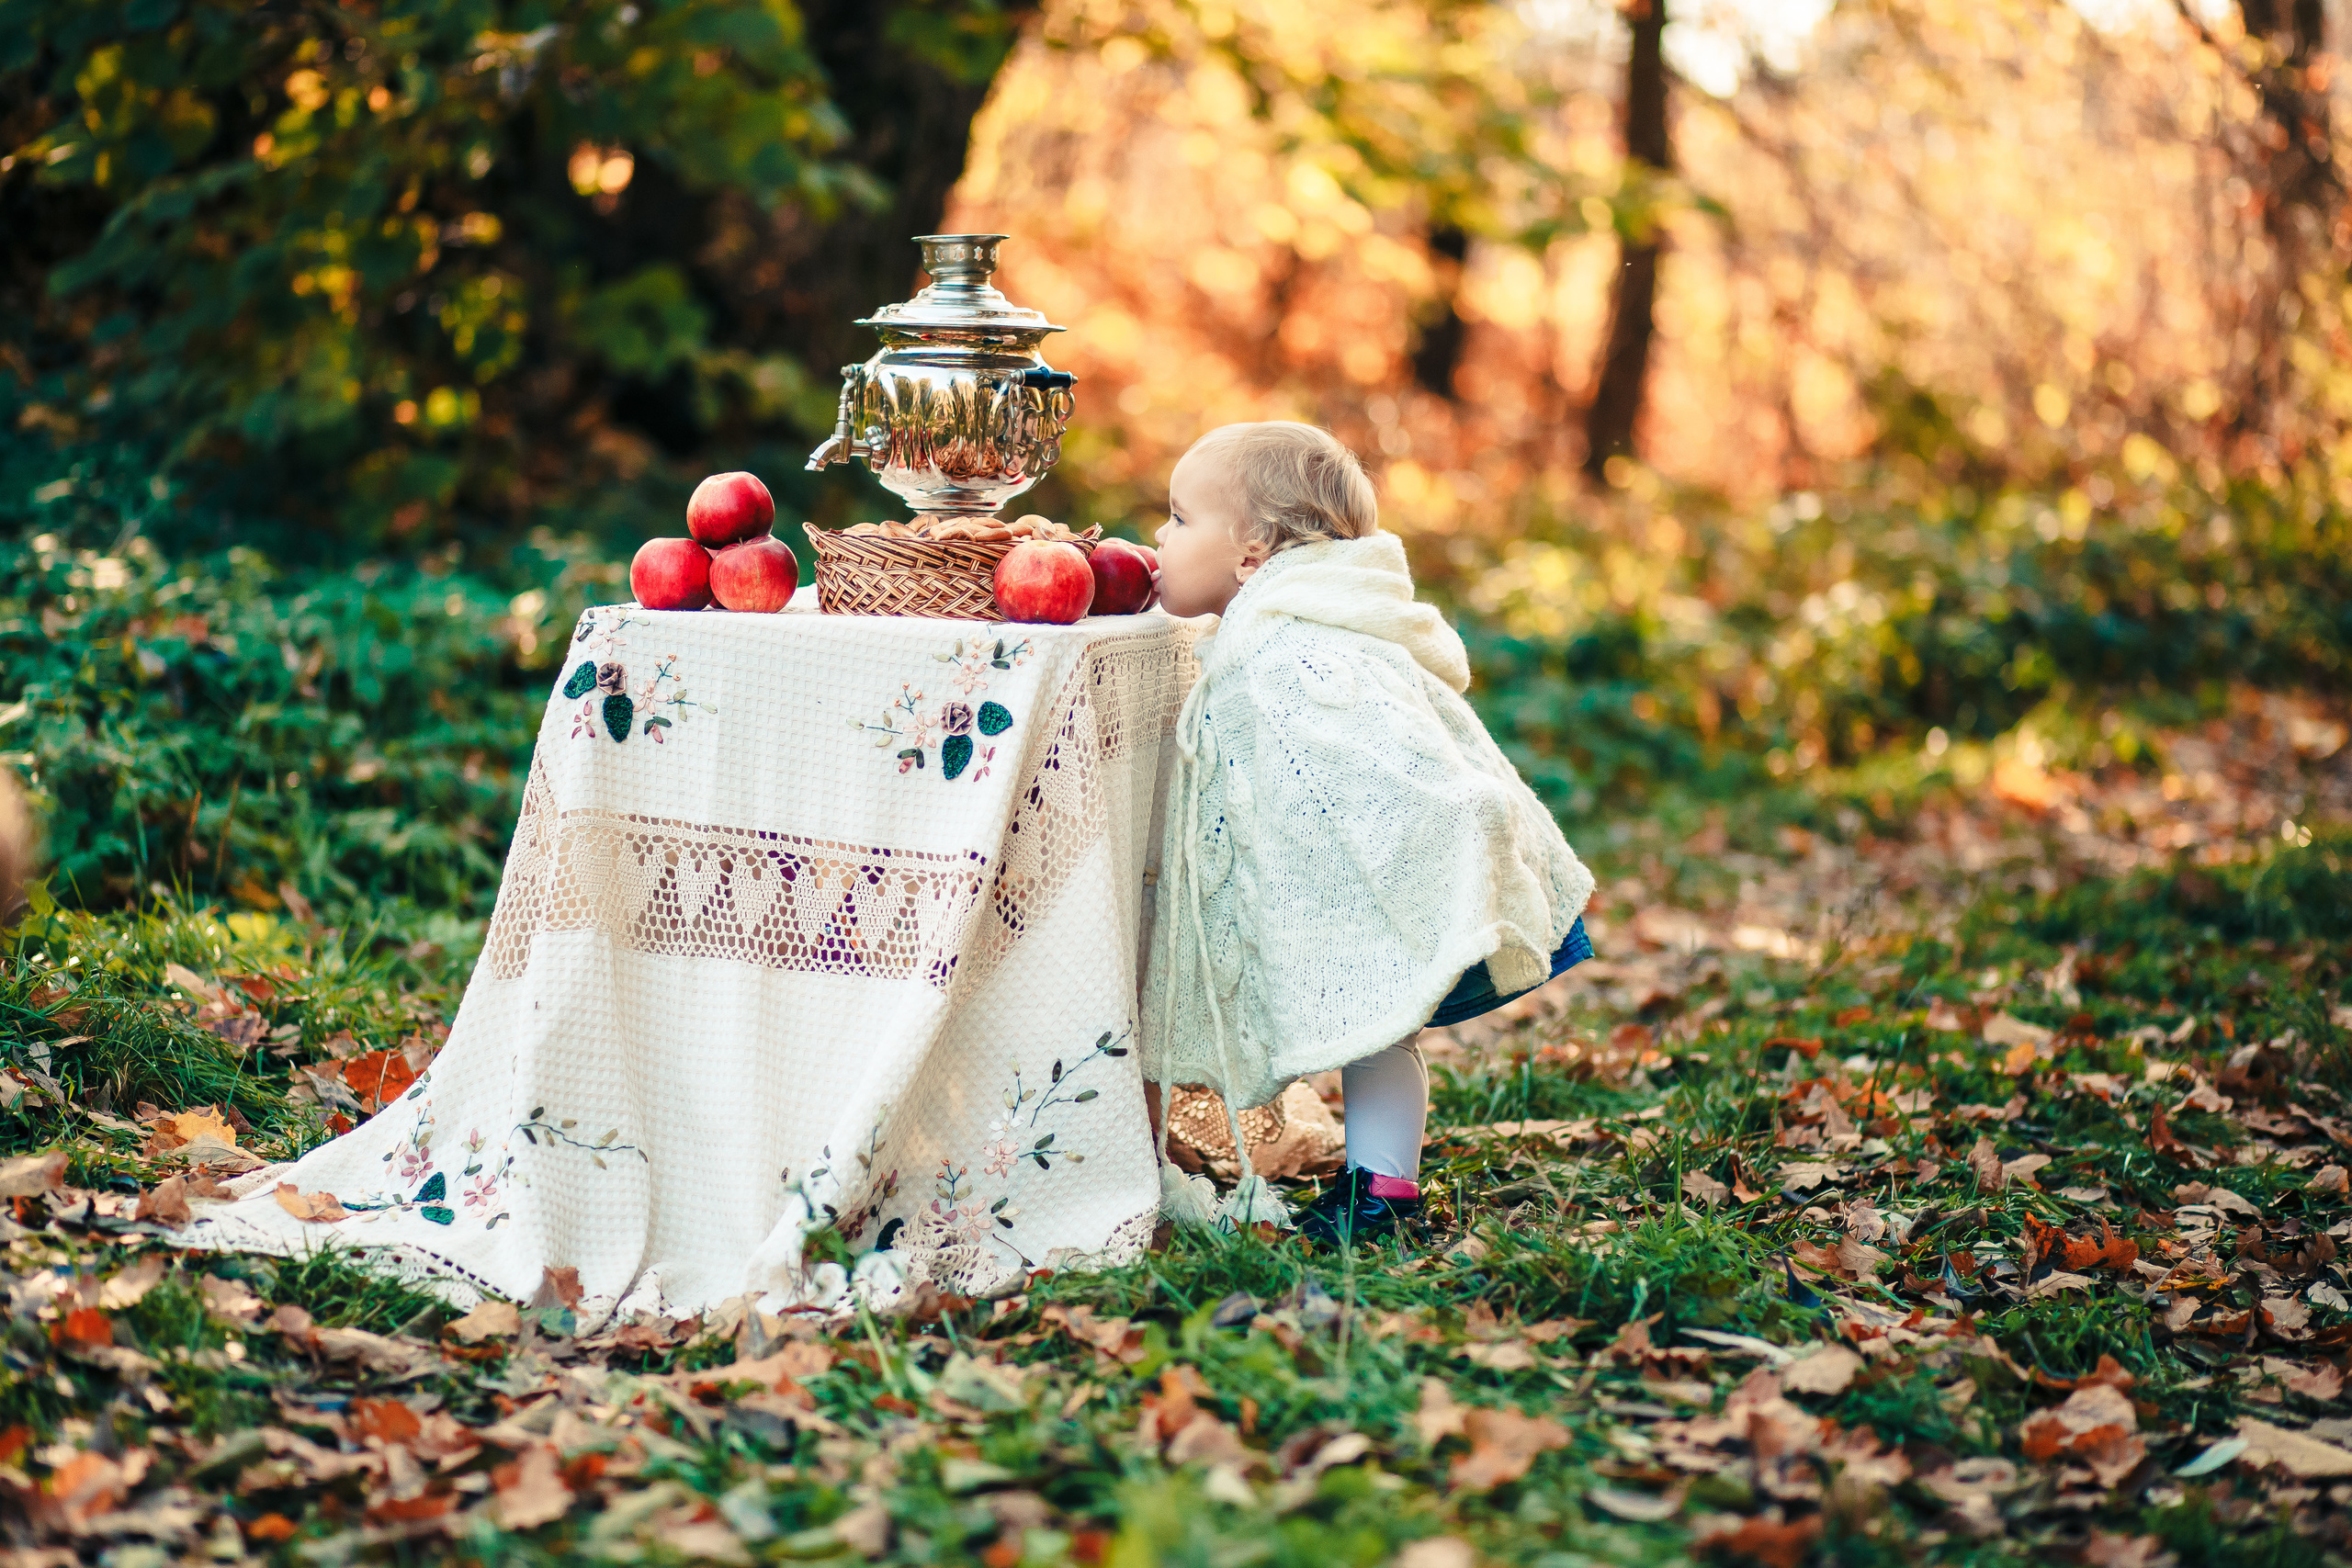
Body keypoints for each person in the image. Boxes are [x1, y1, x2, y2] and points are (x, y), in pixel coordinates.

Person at [1140, 422, 1595, 1247]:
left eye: (1177, 518)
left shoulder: (1296, 647)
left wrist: (1438, 829)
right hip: (1335, 874)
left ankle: (1382, 1195)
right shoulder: (1293, 627)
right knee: (1382, 1036)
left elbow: (1374, 755)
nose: (1159, 538)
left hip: (1370, 871)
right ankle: (1381, 1185)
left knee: (1383, 1032)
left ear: (1252, 551)